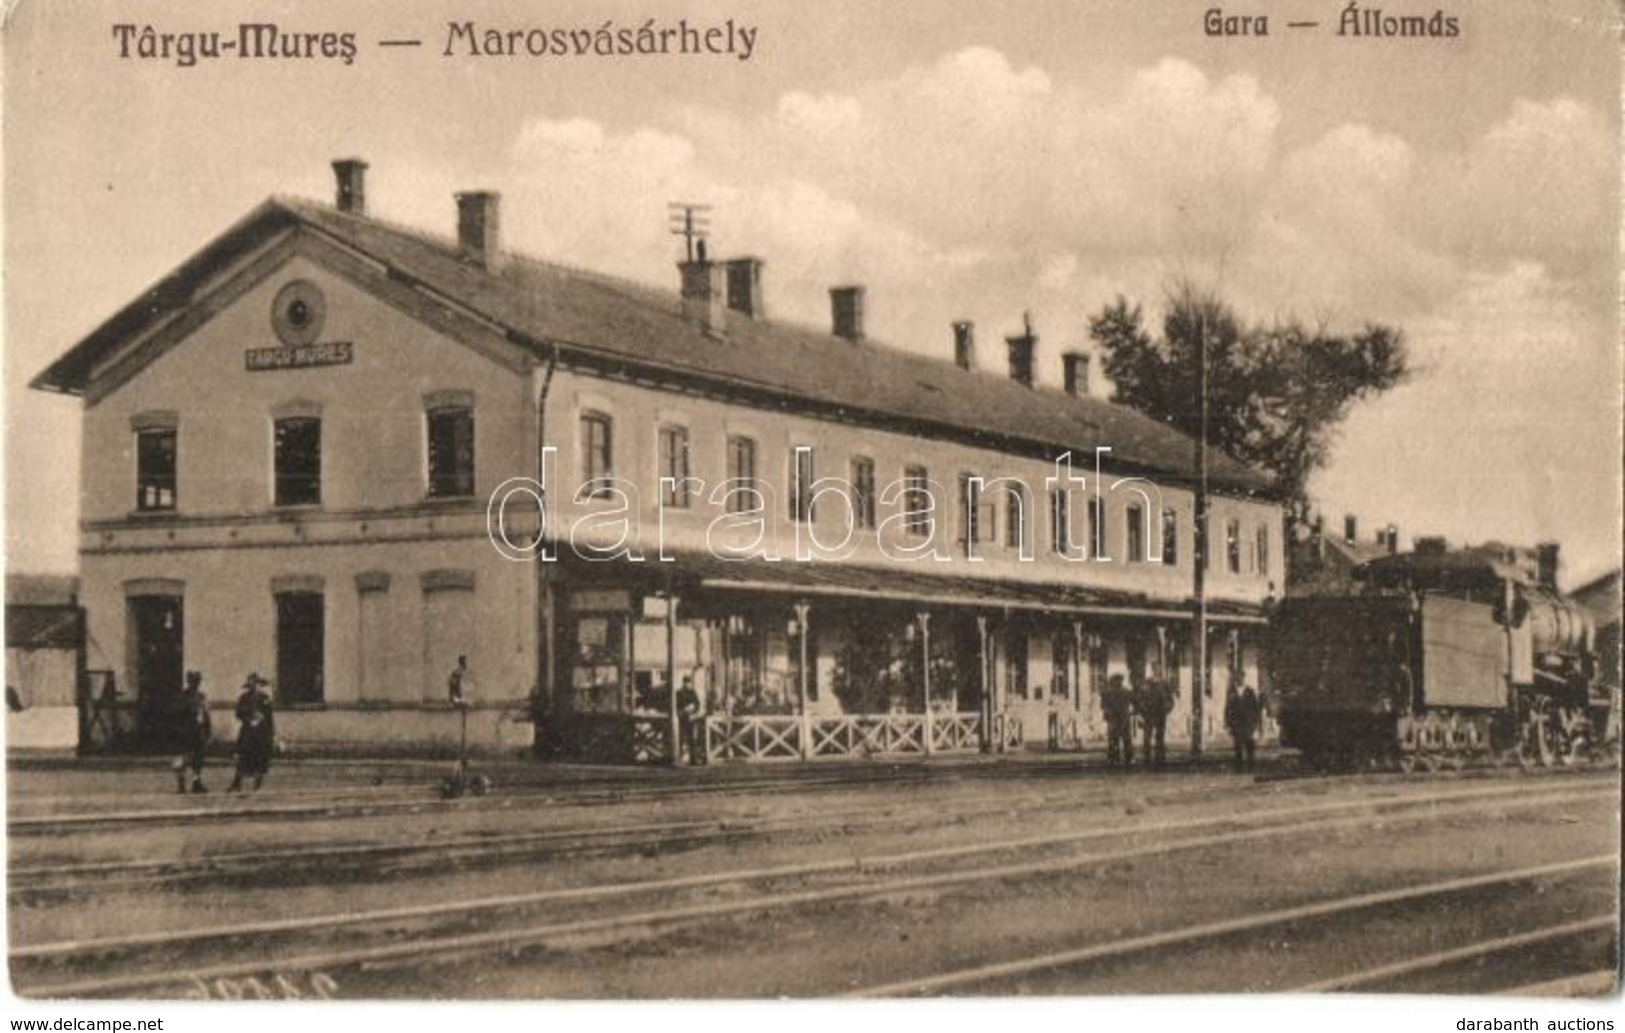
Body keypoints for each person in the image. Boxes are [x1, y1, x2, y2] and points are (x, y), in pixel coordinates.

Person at [227, 673, 275, 793]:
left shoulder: (265, 698)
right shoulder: (244, 698)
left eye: (256, 683)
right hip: (248, 732)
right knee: (243, 756)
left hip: (262, 732)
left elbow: (269, 717)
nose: (254, 686)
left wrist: (272, 733)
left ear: (260, 685)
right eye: (252, 684)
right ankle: (236, 783)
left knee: (261, 757)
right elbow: (238, 713)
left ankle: (257, 785)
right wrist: (248, 718)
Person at [172, 670, 211, 794]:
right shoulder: (182, 697)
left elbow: (206, 714)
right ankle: (181, 783)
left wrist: (208, 730)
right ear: (189, 682)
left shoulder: (201, 697)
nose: (196, 684)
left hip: (198, 731)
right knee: (181, 759)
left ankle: (196, 782)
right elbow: (176, 715)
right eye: (193, 681)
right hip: (184, 732)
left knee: (198, 759)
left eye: (197, 681)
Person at [1135, 676, 1173, 769]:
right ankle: (1147, 757)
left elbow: (1170, 700)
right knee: (1147, 737)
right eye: (1153, 666)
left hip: (1160, 715)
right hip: (1148, 715)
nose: (1155, 670)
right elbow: (1139, 699)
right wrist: (1141, 712)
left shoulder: (1164, 684)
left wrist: (1166, 710)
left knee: (1160, 737)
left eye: (1157, 667)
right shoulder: (1145, 685)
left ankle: (1160, 758)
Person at [1226, 683, 1263, 771]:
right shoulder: (1232, 691)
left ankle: (1251, 767)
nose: (1239, 679)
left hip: (1248, 723)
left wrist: (1256, 722)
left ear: (1243, 677)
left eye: (1241, 676)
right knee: (1238, 746)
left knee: (1249, 745)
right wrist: (1228, 722)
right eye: (1237, 676)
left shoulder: (1250, 691)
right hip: (1237, 723)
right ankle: (1239, 768)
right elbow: (1228, 708)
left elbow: (1256, 708)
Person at [1102, 674, 1134, 769]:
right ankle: (1126, 758)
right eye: (1116, 680)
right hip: (1120, 718)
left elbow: (1103, 706)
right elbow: (1104, 706)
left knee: (1116, 739)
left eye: (1118, 680)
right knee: (1122, 739)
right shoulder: (1126, 692)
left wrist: (1107, 714)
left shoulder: (1108, 692)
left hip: (1117, 719)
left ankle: (1115, 758)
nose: (1117, 682)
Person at [676, 675, 706, 766]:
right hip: (681, 719)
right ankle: (679, 758)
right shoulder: (679, 693)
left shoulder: (692, 692)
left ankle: (693, 759)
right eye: (686, 682)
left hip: (691, 719)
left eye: (689, 683)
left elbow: (697, 704)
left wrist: (693, 710)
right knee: (680, 739)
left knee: (692, 739)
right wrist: (683, 710)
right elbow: (676, 706)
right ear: (683, 683)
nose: (687, 684)